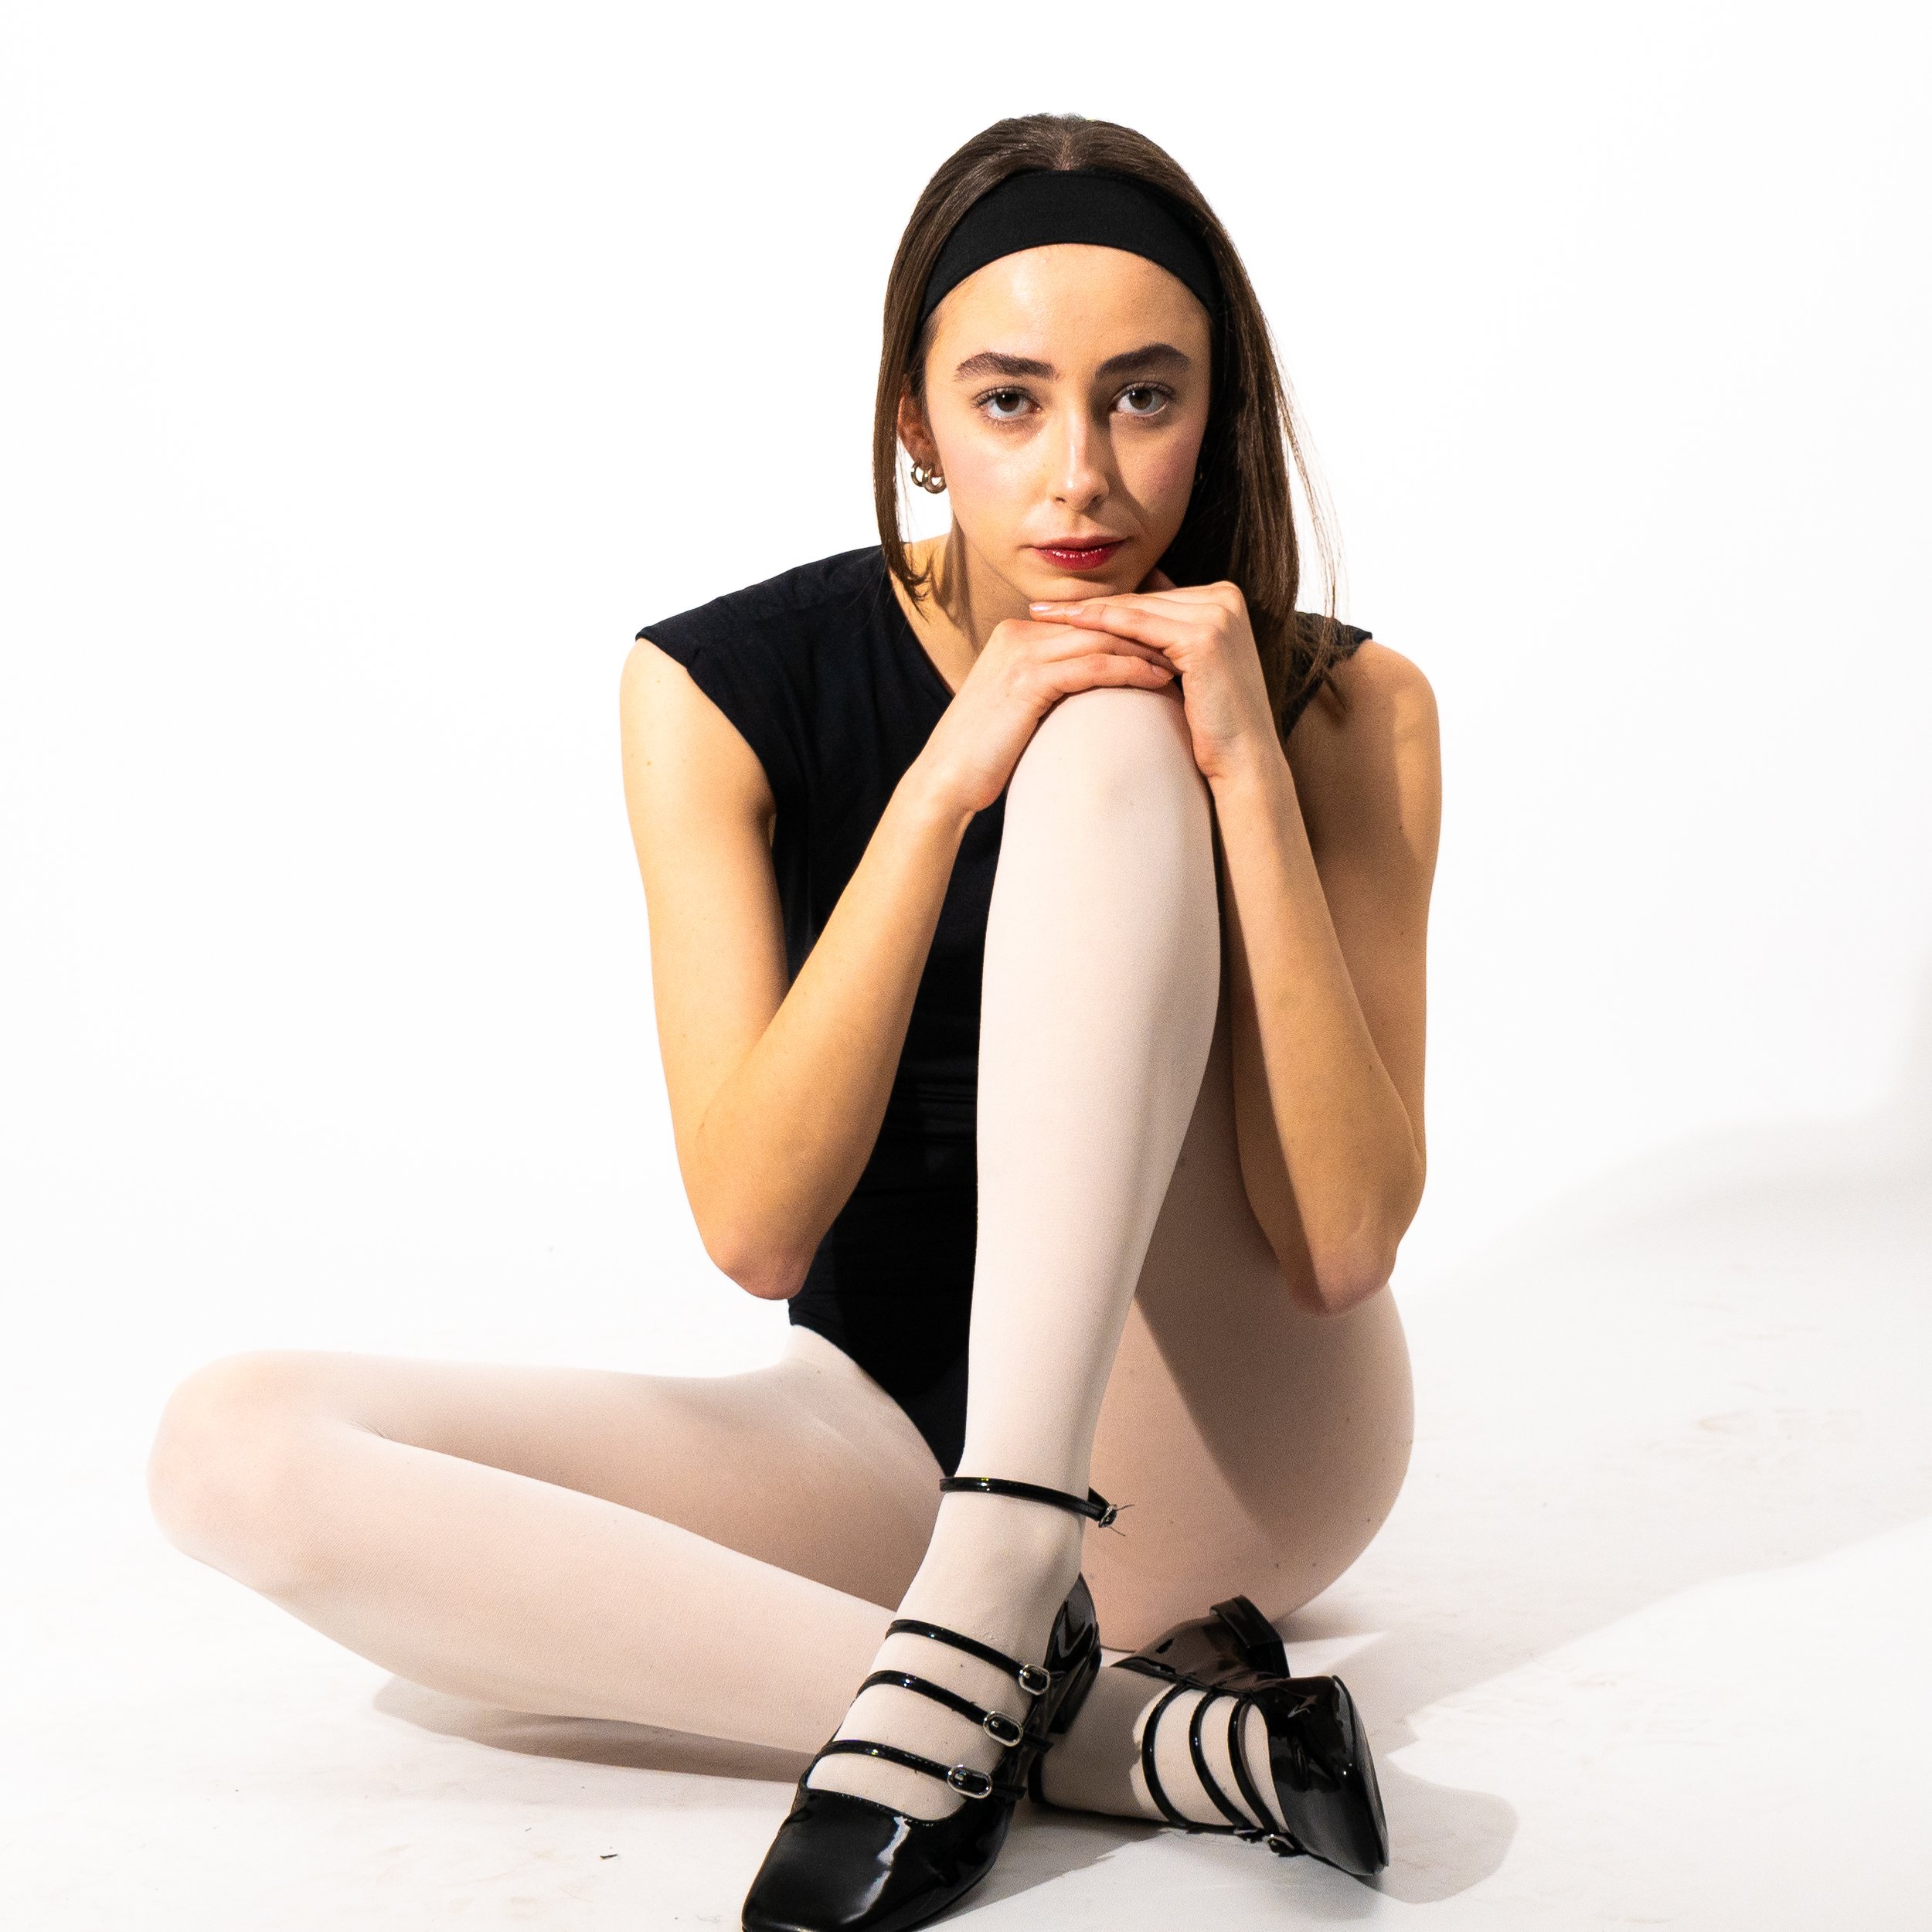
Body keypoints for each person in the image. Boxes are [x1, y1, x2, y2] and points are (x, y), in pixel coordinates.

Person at [145, 111, 1440, 1932]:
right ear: (915, 421)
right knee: (235, 1444)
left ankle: (1003, 1567)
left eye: (1141, 398)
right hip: (875, 1428)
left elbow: (1340, 1239)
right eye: (1007, 403)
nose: (1078, 475)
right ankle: (1124, 1735)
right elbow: (758, 1229)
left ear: (1214, 411)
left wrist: (1232, 758)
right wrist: (934, 790)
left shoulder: (1343, 702)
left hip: (1220, 1424)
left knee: (1110, 726)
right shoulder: (712, 686)